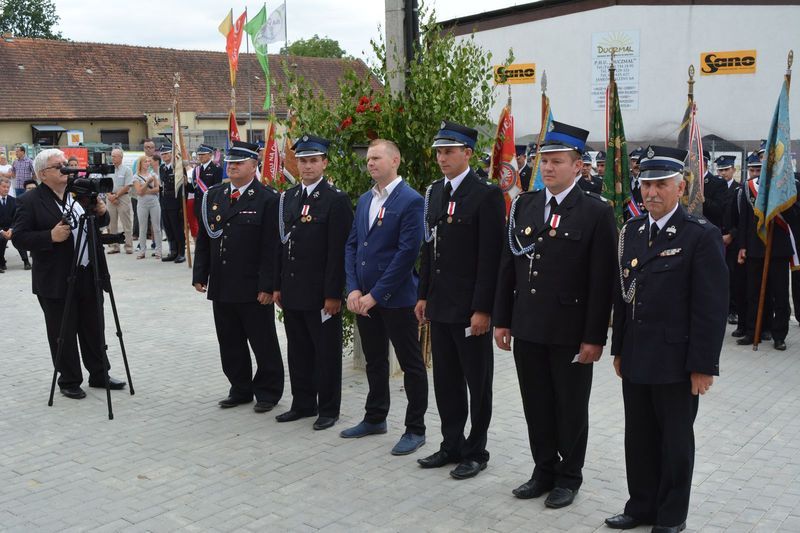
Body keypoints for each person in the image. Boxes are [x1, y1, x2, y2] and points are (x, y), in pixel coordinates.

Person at [493, 121, 617, 509]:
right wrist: (503, 318)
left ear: (577, 166)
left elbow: (602, 282)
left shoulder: (596, 212)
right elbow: (507, 267)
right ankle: (543, 468)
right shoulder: (526, 205)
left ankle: (569, 475)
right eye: (544, 161)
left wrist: (594, 337)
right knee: (536, 403)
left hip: (569, 330)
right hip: (528, 325)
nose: (547, 168)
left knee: (570, 406)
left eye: (557, 162)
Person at [605, 145, 727, 533]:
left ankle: (672, 515)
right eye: (645, 184)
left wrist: (703, 367)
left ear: (680, 186)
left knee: (675, 443)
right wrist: (619, 349)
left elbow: (710, 309)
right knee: (638, 438)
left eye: (660, 184)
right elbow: (622, 296)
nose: (651, 193)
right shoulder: (633, 232)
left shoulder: (699, 236)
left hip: (676, 362)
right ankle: (641, 505)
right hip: (638, 357)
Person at [415, 121, 505, 479]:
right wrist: (423, 295)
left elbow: (491, 257)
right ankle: (451, 443)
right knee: (447, 381)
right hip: (441, 305)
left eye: (449, 151)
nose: (442, 158)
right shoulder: (435, 192)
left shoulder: (485, 194)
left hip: (470, 310)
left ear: (468, 153)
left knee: (477, 383)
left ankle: (476, 449)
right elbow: (429, 248)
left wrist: (483, 309)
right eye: (439, 151)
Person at [11, 148, 126, 399]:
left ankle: (99, 373)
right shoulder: (29, 201)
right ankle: (70, 379)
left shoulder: (77, 194)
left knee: (94, 327)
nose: (66, 169)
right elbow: (19, 237)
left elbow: (98, 224)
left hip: (88, 274)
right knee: (63, 330)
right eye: (59, 166)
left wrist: (101, 211)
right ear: (43, 173)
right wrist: (49, 237)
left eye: (66, 164)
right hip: (56, 279)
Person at [342, 138, 429, 456]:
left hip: (397, 299)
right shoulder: (365, 199)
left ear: (396, 161)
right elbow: (352, 245)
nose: (370, 163)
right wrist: (353, 288)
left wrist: (375, 295)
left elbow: (407, 254)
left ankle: (415, 428)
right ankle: (375, 417)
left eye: (376, 157)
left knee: (411, 364)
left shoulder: (411, 201)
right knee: (375, 361)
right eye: (368, 158)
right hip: (363, 298)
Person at [193, 140, 284, 412]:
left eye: (239, 163)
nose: (232, 167)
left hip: (253, 285)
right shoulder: (214, 195)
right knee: (229, 341)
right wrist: (201, 273)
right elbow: (205, 238)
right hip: (222, 282)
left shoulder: (268, 198)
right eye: (230, 162)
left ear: (254, 166)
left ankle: (268, 391)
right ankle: (240, 388)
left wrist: (269, 285)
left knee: (262, 341)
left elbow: (272, 247)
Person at [273, 134, 353, 430]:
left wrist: (334, 294)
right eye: (302, 161)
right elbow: (281, 245)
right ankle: (303, 403)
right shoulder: (289, 198)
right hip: (293, 290)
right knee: (299, 350)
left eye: (313, 161)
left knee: (325, 354)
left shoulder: (336, 200)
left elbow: (339, 251)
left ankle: (329, 409)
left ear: (324, 163)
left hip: (321, 294)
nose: (307, 167)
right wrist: (278, 284)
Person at [736, 151, 798, 351]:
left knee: (780, 294)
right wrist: (743, 246)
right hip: (755, 246)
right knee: (753, 293)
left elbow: (794, 217)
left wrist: (779, 201)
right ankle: (753, 331)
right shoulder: (749, 187)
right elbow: (744, 219)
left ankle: (779, 335)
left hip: (778, 248)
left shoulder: (788, 187)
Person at [714, 155, 741, 325]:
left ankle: (733, 310)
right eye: (721, 170)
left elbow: (742, 217)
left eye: (726, 169)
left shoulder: (739, 188)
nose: (723, 173)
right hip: (717, 236)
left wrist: (732, 235)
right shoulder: (717, 186)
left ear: (733, 170)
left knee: (733, 276)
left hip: (732, 239)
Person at [158, 144, 186, 263]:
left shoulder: (178, 168)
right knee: (168, 229)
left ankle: (181, 253)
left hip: (175, 203)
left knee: (177, 229)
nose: (164, 156)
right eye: (162, 154)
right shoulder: (162, 168)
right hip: (165, 203)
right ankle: (173, 251)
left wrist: (180, 206)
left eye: (166, 153)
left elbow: (181, 188)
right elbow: (161, 187)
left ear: (172, 154)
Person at [132, 156, 162, 259]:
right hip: (142, 204)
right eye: (145, 162)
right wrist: (147, 183)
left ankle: (158, 250)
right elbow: (139, 192)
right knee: (142, 228)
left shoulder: (153, 175)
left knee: (156, 227)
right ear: (140, 163)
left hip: (154, 203)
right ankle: (142, 250)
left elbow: (157, 189)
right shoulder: (136, 177)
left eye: (149, 161)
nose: (148, 163)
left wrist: (146, 190)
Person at [106, 148, 134, 255]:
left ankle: (128, 246)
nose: (112, 158)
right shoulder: (108, 169)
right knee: (111, 223)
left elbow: (127, 186)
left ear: (121, 157)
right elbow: (104, 183)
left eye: (114, 156)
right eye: (112, 156)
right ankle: (114, 246)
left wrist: (116, 196)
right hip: (110, 198)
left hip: (123, 198)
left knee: (126, 222)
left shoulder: (127, 170)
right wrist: (110, 196)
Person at [0, 177, 31, 271]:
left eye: (8, 187)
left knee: (19, 236)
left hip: (12, 228)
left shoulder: (13, 201)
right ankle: (1, 263)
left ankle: (26, 261)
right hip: (0, 229)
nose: (6, 189)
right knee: (0, 239)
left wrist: (11, 229)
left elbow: (17, 217)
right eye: (4, 187)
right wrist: (1, 231)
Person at [190, 144, 223, 222]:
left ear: (210, 155)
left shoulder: (217, 169)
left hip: (210, 205)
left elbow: (218, 189)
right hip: (198, 206)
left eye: (203, 154)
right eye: (199, 154)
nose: (200, 156)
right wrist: (185, 184)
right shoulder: (196, 170)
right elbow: (193, 189)